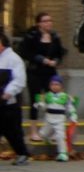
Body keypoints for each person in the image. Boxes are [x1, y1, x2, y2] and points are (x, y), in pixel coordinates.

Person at [17, 11, 66, 142]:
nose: (49, 23)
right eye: (45, 21)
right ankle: (33, 131)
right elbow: (25, 52)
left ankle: (52, 130)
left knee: (53, 100)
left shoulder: (55, 36)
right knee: (36, 101)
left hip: (50, 73)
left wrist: (56, 60)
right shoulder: (31, 36)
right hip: (35, 73)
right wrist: (41, 60)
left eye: (50, 20)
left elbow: (60, 53)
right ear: (39, 23)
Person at [0, 28, 31, 165]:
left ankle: (22, 154)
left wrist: (8, 93)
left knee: (12, 130)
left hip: (9, 102)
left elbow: (19, 80)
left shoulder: (13, 59)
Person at [35, 74, 77, 162]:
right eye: (52, 84)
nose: (54, 86)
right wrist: (40, 104)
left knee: (60, 136)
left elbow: (70, 106)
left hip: (60, 120)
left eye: (57, 84)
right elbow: (44, 106)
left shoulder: (65, 97)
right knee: (43, 134)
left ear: (61, 86)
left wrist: (73, 114)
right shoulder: (47, 96)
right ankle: (48, 137)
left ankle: (62, 153)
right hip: (49, 119)